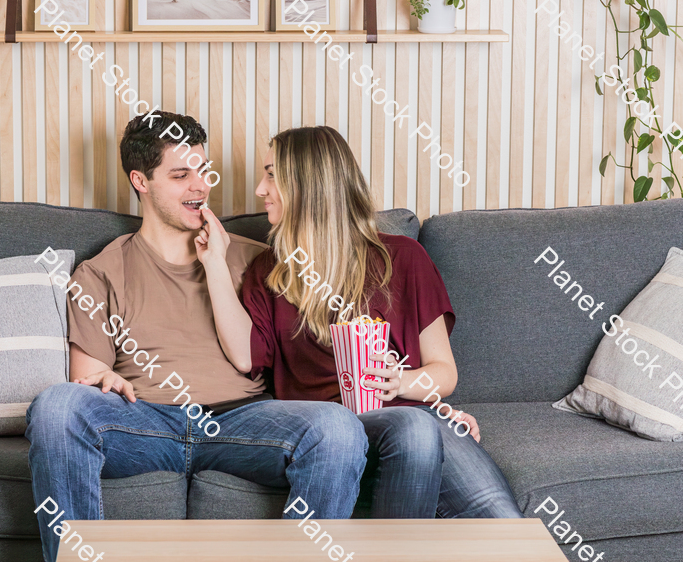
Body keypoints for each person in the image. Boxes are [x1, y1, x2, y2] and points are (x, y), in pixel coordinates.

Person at [25, 113, 369, 562]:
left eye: (203, 171)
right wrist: (104, 379)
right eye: (181, 174)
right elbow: (87, 379)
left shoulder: (260, 261)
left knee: (338, 429)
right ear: (141, 181)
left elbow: (321, 343)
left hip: (244, 422)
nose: (200, 186)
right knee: (56, 406)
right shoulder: (100, 273)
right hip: (145, 422)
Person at [203, 124, 523, 519]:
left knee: (503, 524)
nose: (260, 190)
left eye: (271, 174)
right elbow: (244, 357)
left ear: (309, 185)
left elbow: (444, 373)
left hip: (412, 417)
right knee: (416, 429)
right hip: (330, 431)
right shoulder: (272, 271)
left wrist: (401, 382)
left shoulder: (404, 258)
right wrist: (214, 263)